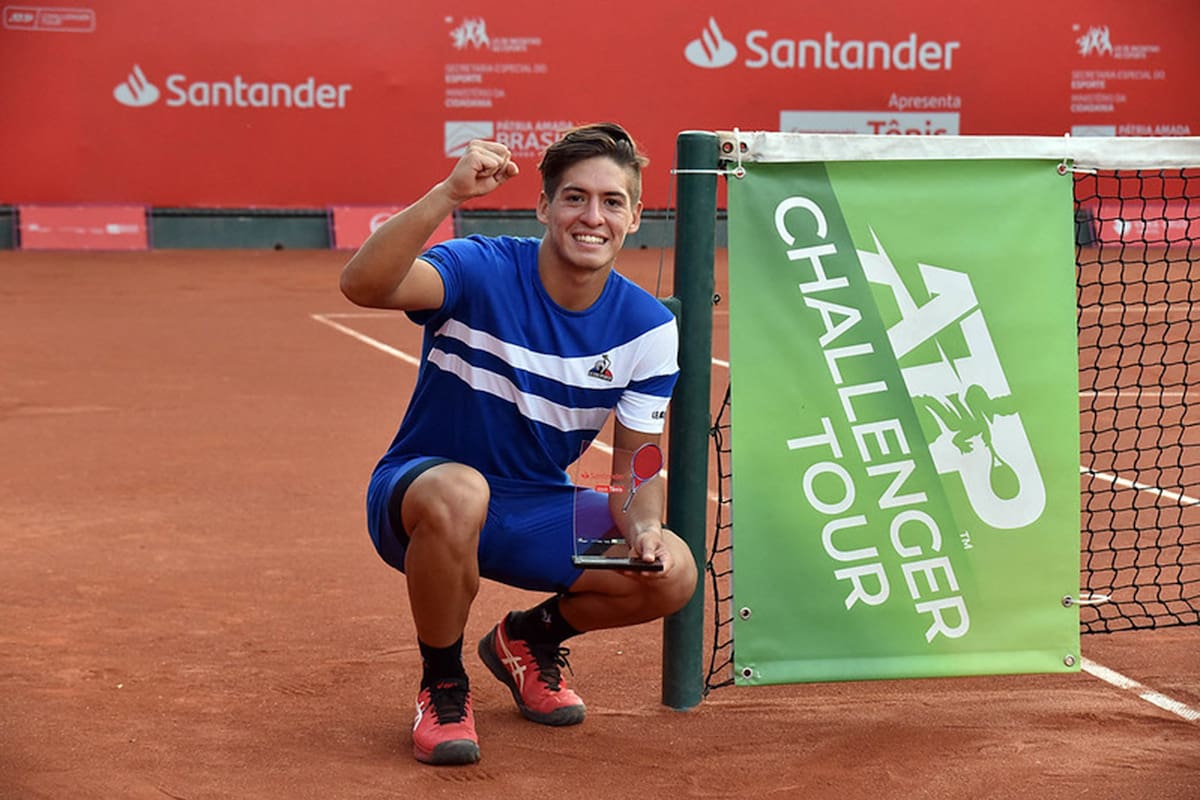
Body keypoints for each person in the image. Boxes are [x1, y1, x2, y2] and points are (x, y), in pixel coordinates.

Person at [339, 122, 698, 766]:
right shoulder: (479, 267)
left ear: (635, 216)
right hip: (421, 495)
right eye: (575, 198)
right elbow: (362, 285)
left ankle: (529, 638)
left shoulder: (648, 328)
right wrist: (448, 194)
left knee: (672, 572)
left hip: (534, 511)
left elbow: (635, 465)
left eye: (612, 202)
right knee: (460, 491)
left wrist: (644, 528)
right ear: (544, 207)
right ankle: (443, 683)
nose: (593, 217)